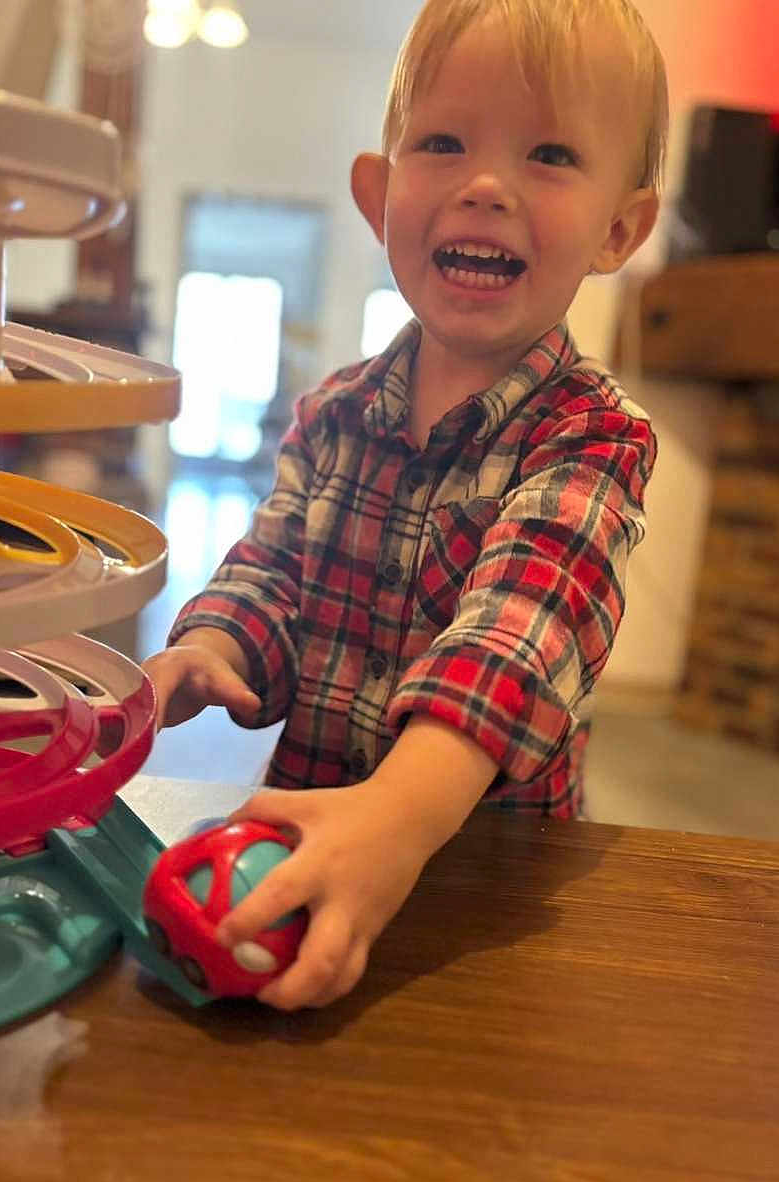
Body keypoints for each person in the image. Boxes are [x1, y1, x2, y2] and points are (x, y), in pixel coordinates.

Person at [143, 0, 668, 1010]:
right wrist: (217, 643)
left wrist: (397, 816)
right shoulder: (333, 413)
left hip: (485, 888)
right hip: (307, 841)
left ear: (619, 228)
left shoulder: (597, 441)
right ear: (379, 199)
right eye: (443, 141)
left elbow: (515, 640)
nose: (484, 185)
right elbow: (273, 575)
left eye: (549, 153)